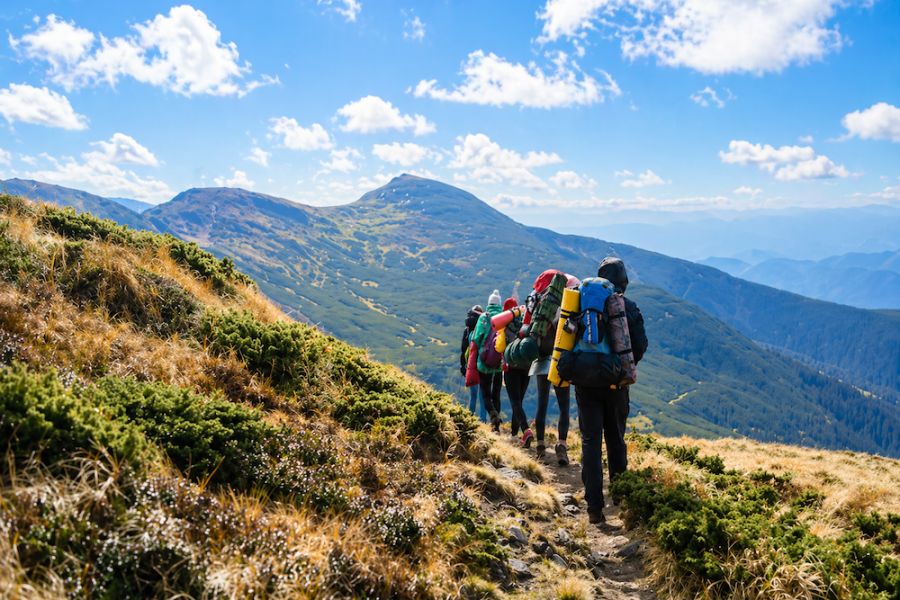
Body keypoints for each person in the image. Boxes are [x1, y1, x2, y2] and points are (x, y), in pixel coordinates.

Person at [576, 257, 648, 524]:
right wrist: (620, 364)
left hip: (585, 382)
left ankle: (594, 507)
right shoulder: (628, 307)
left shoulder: (584, 303)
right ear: (624, 281)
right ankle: (621, 497)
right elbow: (639, 347)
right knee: (616, 440)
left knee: (590, 442)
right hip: (616, 382)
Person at [531, 274, 580, 465]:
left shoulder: (546, 305)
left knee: (542, 401)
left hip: (543, 360)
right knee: (564, 406)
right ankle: (561, 445)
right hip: (561, 360)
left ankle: (541, 442)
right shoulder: (570, 308)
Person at [501, 297, 533, 446]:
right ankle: (515, 434)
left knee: (514, 401)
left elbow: (500, 347)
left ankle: (526, 430)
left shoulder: (504, 326)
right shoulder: (524, 323)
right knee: (519, 401)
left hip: (511, 368)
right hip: (526, 367)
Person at [471, 290, 505, 431]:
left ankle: (492, 414)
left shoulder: (483, 318)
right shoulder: (505, 317)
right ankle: (495, 427)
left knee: (485, 393)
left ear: (489, 303)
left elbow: (476, 339)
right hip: (499, 363)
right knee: (496, 393)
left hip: (484, 363)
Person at [459, 304, 487, 422]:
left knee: (473, 393)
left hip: (470, 364)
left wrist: (463, 366)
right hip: (482, 363)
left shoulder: (467, 329)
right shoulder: (483, 326)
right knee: (483, 394)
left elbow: (463, 349)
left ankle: (470, 417)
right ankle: (483, 419)